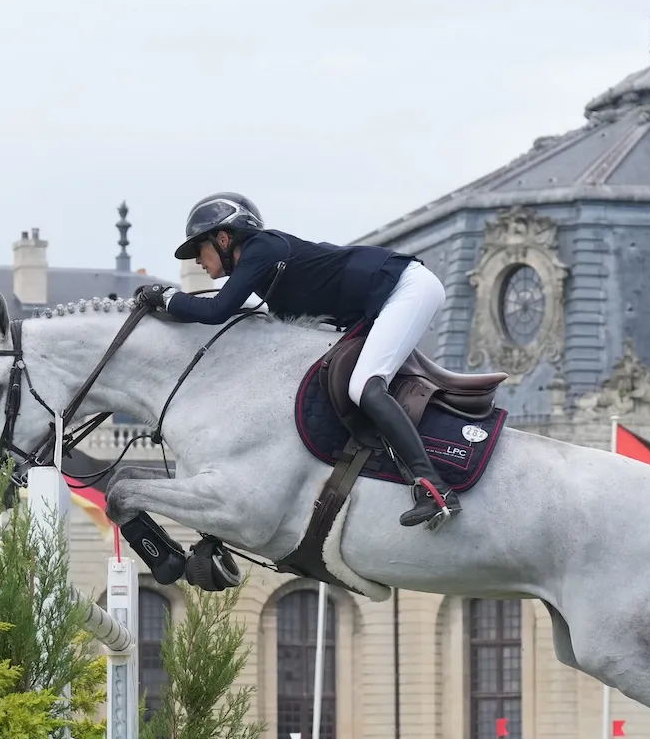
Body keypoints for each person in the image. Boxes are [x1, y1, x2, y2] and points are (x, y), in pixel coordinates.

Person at [132, 192, 458, 529]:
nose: (198, 261)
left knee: (365, 386)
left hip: (406, 288)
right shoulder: (265, 277)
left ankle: (434, 489)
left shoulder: (261, 248)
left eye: (199, 249)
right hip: (384, 299)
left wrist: (168, 298)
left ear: (224, 238)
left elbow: (217, 311)